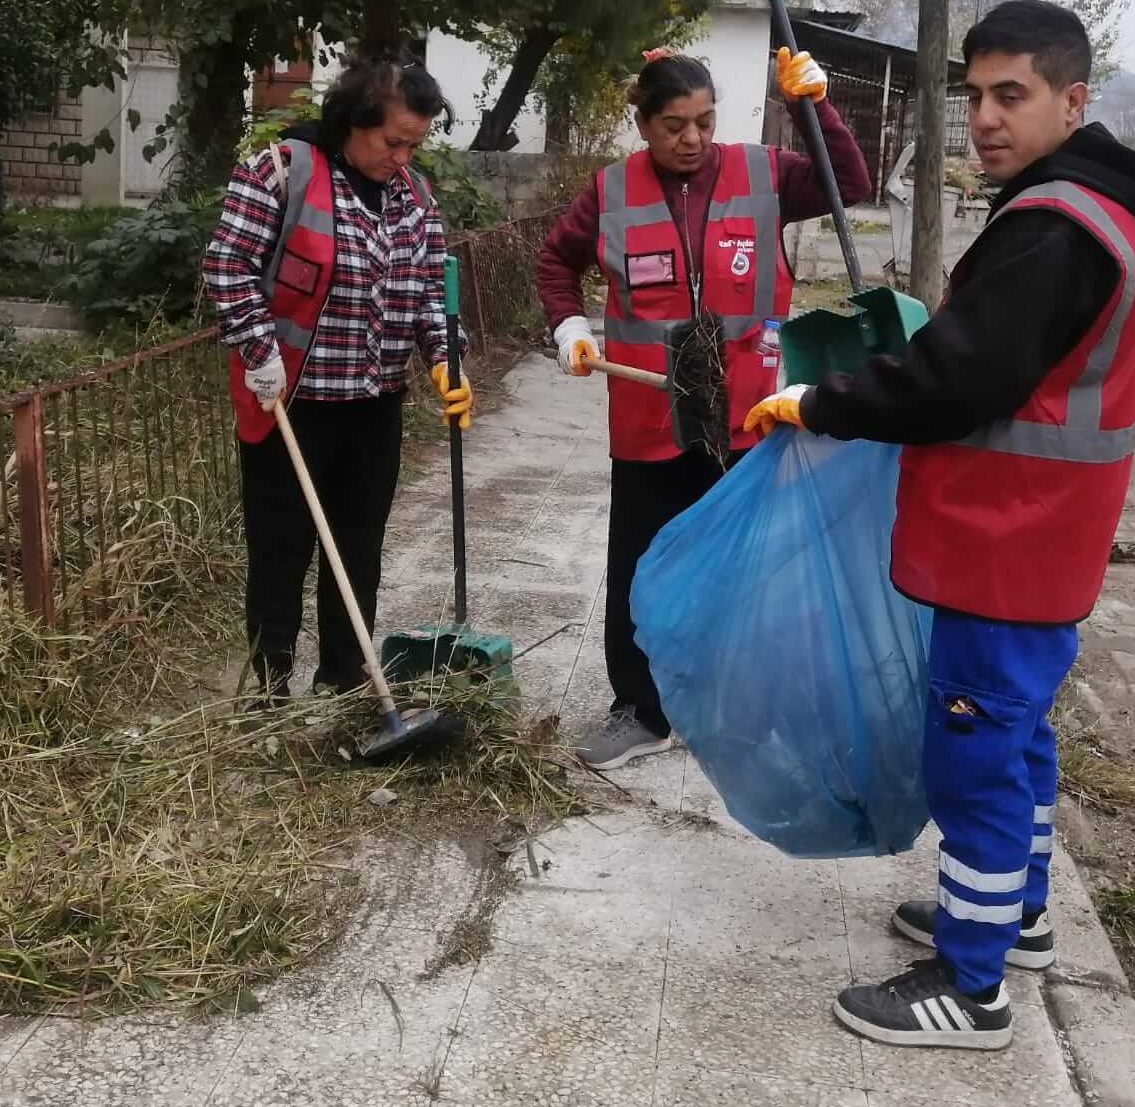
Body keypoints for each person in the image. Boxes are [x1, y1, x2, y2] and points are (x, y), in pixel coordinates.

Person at [744, 0, 1135, 1051]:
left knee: (972, 760)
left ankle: (970, 983)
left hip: (1006, 542)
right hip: (1042, 546)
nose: (983, 118)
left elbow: (955, 380)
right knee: (1019, 745)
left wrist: (822, 403)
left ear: (1071, 101)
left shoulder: (1050, 227)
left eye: (1009, 95)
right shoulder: (1091, 212)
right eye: (973, 96)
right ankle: (1013, 915)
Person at [538, 45, 873, 770]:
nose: (691, 138)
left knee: (747, 569)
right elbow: (554, 260)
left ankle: (735, 706)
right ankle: (641, 710)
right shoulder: (609, 193)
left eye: (704, 120)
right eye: (672, 125)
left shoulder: (765, 174)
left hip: (746, 419)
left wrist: (817, 106)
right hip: (648, 417)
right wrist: (566, 324)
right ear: (643, 124)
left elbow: (850, 182)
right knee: (640, 565)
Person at [201, 57, 472, 704]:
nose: (403, 157)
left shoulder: (415, 197)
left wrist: (444, 360)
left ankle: (345, 679)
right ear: (354, 122)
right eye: (393, 141)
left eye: (416, 143)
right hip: (291, 404)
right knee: (281, 549)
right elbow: (227, 265)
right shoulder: (283, 172)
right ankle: (266, 688)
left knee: (359, 545)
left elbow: (431, 293)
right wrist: (259, 349)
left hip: (374, 404)